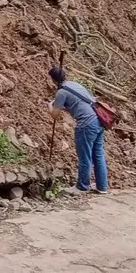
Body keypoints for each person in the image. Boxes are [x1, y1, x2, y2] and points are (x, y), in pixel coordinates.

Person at [48, 66, 108, 195]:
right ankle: (102, 186)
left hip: (86, 124)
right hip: (98, 119)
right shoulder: (74, 84)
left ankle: (82, 186)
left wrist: (49, 106)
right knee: (98, 154)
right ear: (65, 76)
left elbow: (55, 115)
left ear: (53, 80)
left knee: (84, 156)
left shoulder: (61, 92)